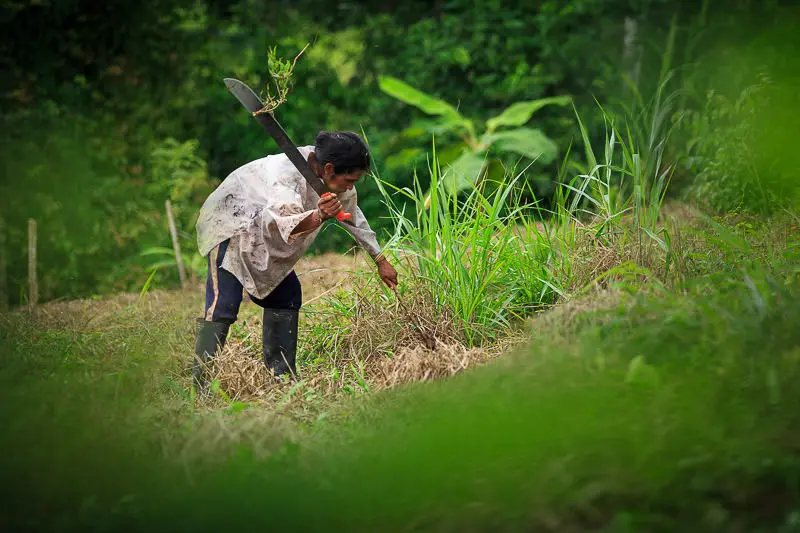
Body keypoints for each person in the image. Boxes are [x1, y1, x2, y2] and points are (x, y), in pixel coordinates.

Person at [192, 131, 398, 389]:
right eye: (348, 180)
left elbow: (353, 216)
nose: (350, 187)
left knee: (286, 295)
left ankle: (281, 378)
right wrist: (320, 216)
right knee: (223, 305)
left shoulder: (336, 180)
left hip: (264, 233)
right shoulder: (286, 173)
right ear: (329, 168)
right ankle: (199, 385)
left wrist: (380, 259)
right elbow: (282, 223)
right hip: (232, 223)